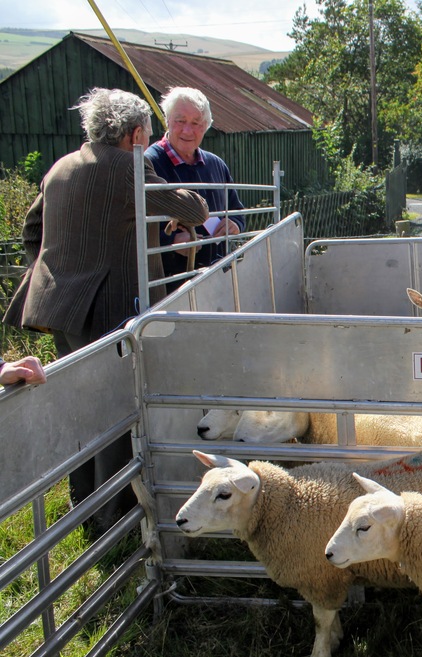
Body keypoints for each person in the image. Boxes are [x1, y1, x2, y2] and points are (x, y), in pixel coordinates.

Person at [3, 87, 208, 534]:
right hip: (108, 306)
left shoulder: (62, 166)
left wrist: (57, 267)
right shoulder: (125, 167)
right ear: (136, 135)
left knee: (80, 408)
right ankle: (109, 522)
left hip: (58, 304)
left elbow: (32, 229)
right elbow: (192, 207)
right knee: (116, 410)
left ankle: (84, 508)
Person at [146, 87, 245, 285]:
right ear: (167, 120)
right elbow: (134, 224)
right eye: (180, 121)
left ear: (206, 126)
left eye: (196, 123)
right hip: (168, 283)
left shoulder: (216, 164)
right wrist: (170, 242)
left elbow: (237, 212)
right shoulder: (149, 163)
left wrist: (234, 224)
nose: (187, 131)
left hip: (215, 276)